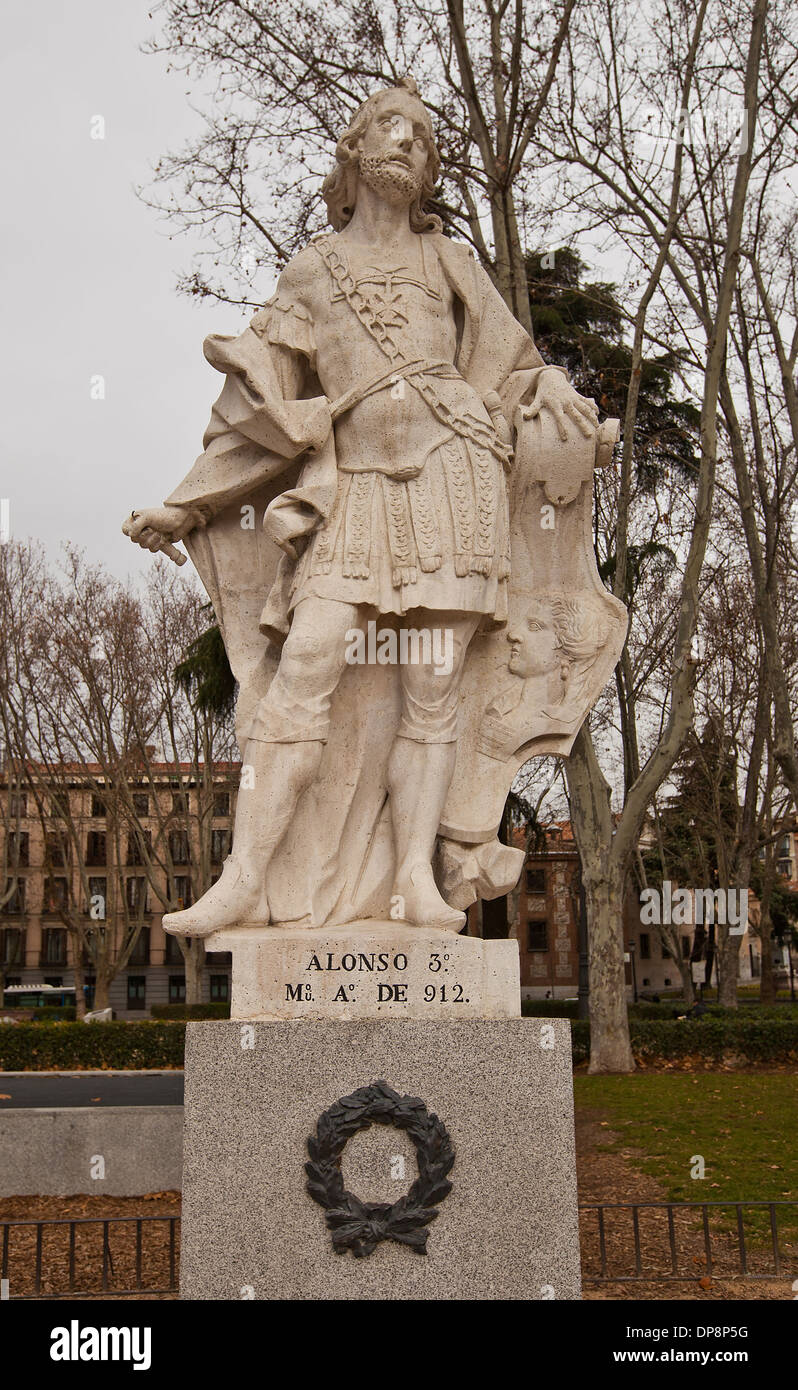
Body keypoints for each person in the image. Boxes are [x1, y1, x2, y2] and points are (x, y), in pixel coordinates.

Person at [123, 79, 598, 936]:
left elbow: (513, 362)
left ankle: (414, 877)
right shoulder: (313, 267)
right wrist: (185, 504)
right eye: (391, 126)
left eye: (422, 134)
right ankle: (246, 878)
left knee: (433, 681)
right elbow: (260, 408)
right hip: (356, 493)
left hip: (456, 483)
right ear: (354, 148)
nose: (409, 143)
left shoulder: (449, 260)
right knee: (305, 666)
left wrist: (553, 379)